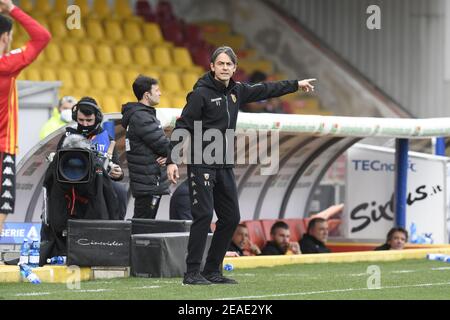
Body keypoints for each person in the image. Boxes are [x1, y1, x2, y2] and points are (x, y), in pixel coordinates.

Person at [167, 46, 315, 285]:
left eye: (229, 64)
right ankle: (192, 273)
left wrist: (296, 84)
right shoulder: (200, 95)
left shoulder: (238, 91)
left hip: (224, 163)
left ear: (235, 68)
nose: (225, 68)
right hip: (201, 163)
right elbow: (183, 125)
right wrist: (173, 160)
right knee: (203, 216)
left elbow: (267, 89)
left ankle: (212, 271)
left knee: (231, 217)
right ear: (212, 66)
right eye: (221, 64)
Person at [0, 0, 51, 235]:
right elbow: (42, 37)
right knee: (3, 203)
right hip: (2, 146)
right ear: (5, 38)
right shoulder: (7, 65)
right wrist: (11, 8)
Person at [56, 96, 127, 220]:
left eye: (89, 120)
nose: (84, 124)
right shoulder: (67, 136)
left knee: (120, 191)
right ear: (75, 118)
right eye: (81, 120)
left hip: (100, 182)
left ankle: (117, 227)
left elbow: (116, 166)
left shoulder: (108, 139)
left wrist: (118, 173)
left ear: (97, 118)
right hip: (73, 182)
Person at [122, 75, 170, 219]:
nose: (160, 93)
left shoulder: (143, 115)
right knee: (143, 227)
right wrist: (169, 153)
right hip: (148, 183)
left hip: (148, 182)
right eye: (157, 90)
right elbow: (163, 146)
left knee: (145, 225)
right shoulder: (142, 117)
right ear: (147, 95)